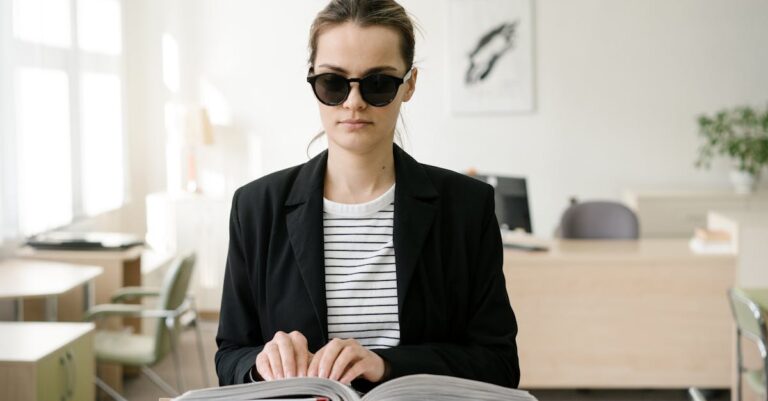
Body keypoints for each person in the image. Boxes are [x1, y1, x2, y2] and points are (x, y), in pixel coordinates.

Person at [215, 0, 520, 391]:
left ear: (409, 84)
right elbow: (230, 357)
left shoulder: (467, 207)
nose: (353, 102)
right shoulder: (256, 208)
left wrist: (388, 366)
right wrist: (260, 364)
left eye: (378, 83)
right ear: (313, 81)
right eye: (333, 82)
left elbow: (499, 364)